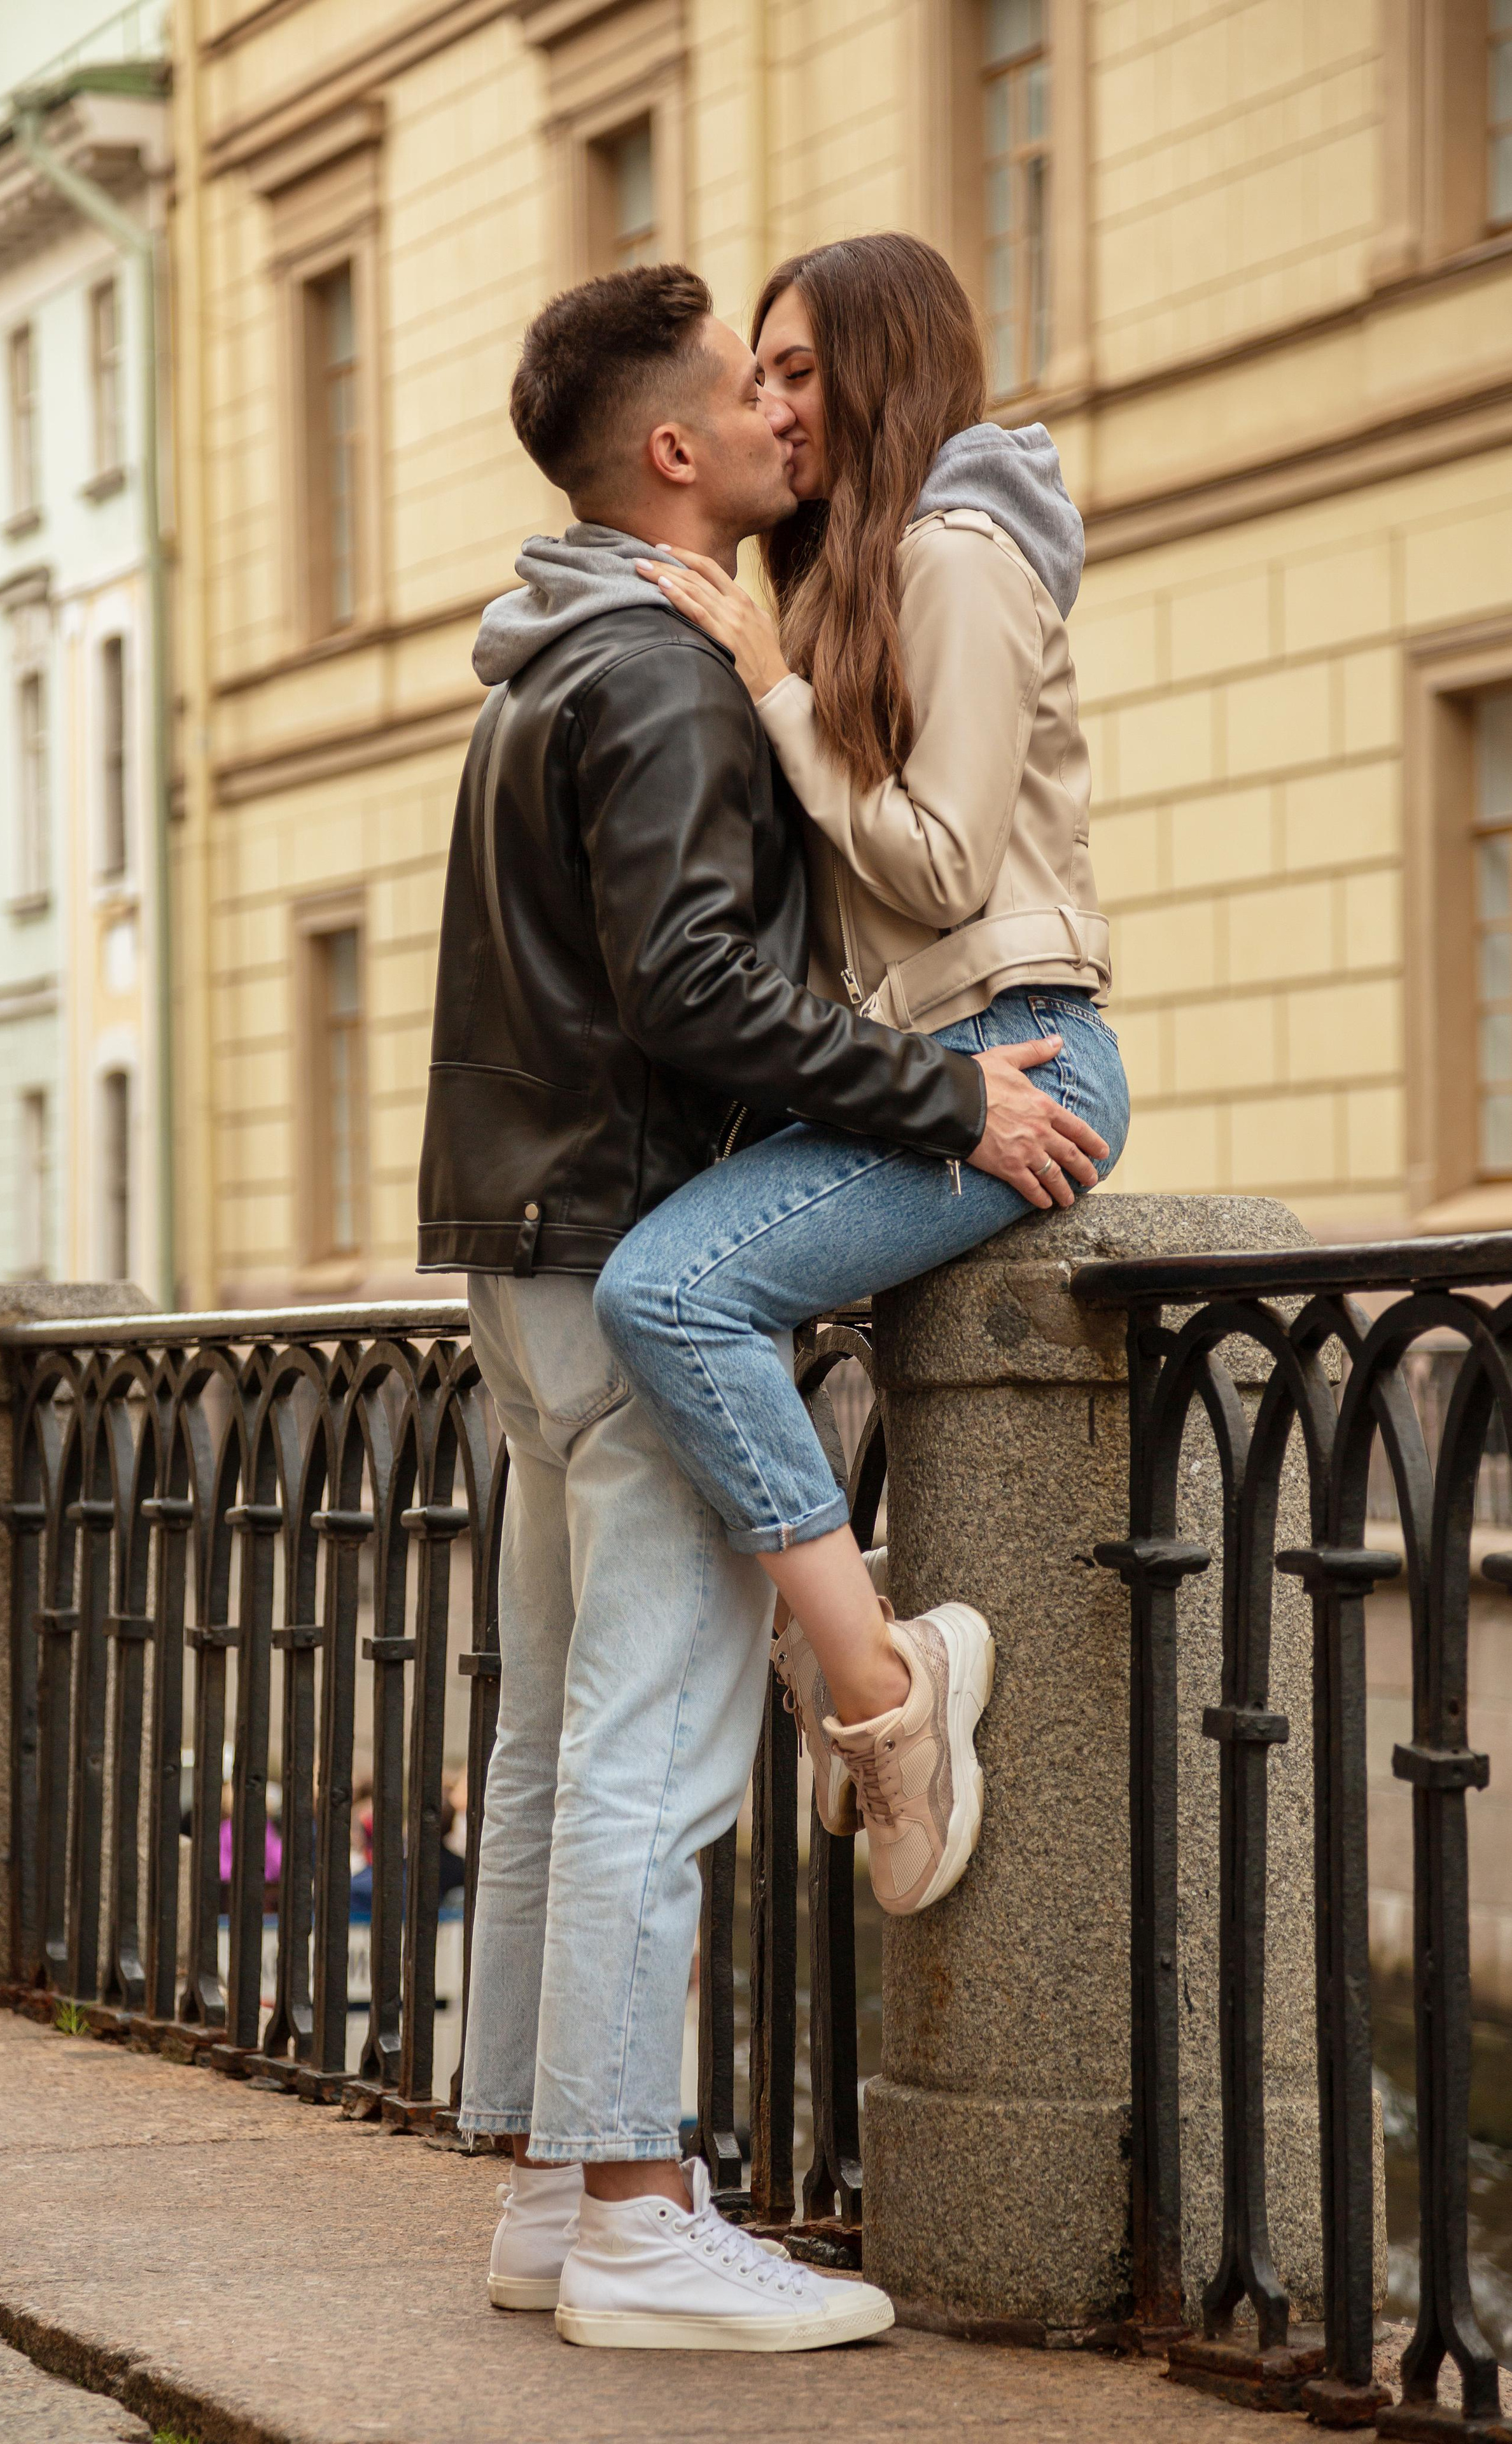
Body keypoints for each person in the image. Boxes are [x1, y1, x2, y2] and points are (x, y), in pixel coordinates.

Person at [415, 261, 1096, 2350]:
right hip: (625, 1245)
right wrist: (941, 1096)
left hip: (518, 1254)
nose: (786, 418)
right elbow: (697, 987)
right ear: (676, 453)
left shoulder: (549, 652)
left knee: (549, 1740)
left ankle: (551, 2190)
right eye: (750, 387)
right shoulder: (666, 673)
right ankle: (638, 2211)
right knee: (648, 1742)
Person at [595, 232, 1126, 1917]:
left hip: (1014, 1053)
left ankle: (888, 1695)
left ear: (888, 368)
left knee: (670, 1294)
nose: (774, 402)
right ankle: (868, 1615)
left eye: (803, 370)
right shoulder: (865, 572)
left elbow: (945, 864)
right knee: (685, 1307)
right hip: (935, 1065)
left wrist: (770, 688)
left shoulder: (960, 554)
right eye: (760, 373)